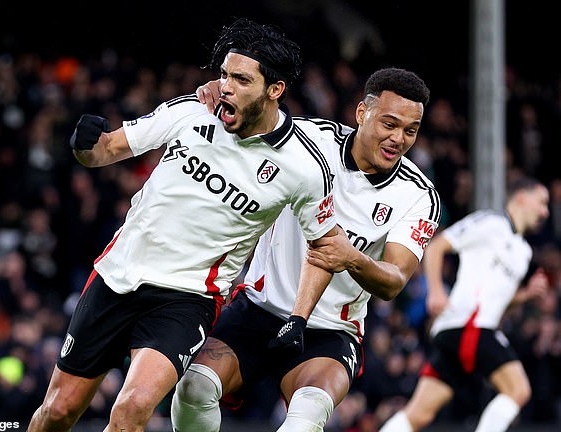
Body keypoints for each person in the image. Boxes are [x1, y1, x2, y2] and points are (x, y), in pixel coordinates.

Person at [27, 17, 340, 432]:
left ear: (274, 90)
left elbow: (324, 245)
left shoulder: (303, 168)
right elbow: (107, 150)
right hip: (118, 274)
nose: (225, 86)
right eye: (224, 75)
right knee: (58, 412)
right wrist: (85, 146)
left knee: (132, 408)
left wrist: (300, 317)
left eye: (241, 80)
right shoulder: (192, 110)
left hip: (186, 297)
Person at [171, 67, 440, 432]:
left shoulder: (418, 195)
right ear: (362, 113)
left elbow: (394, 281)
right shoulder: (309, 138)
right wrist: (219, 94)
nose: (398, 139)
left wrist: (351, 257)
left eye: (411, 130)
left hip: (330, 331)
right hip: (259, 309)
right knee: (193, 388)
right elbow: (247, 117)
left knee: (306, 418)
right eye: (389, 124)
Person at [378, 176, 550, 432]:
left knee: (419, 414)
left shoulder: (523, 252)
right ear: (522, 197)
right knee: (519, 390)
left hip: (462, 332)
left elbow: (499, 304)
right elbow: (437, 246)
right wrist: (435, 291)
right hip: (468, 326)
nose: (545, 212)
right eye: (542, 202)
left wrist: (524, 296)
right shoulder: (491, 223)